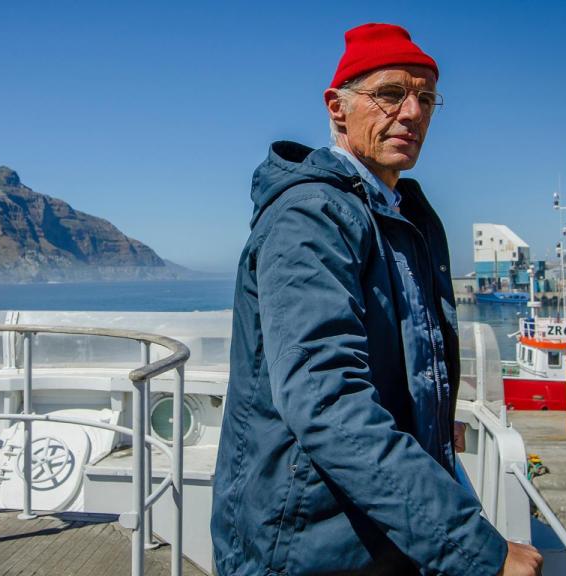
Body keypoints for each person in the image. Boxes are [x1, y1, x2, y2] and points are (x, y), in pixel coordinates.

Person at [211, 23, 543, 575]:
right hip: (305, 548)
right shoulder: (312, 217)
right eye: (390, 94)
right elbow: (326, 399)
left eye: (426, 98)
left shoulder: (395, 214)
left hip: (374, 537)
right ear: (337, 108)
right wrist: (477, 552)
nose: (412, 113)